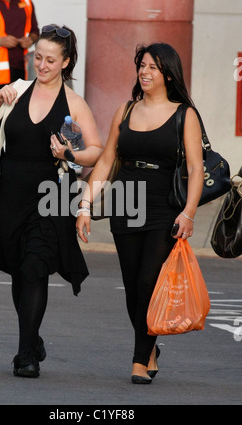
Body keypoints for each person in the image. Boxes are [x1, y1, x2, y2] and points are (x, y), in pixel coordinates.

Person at [0, 24, 103, 378]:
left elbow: (94, 153)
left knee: (34, 269)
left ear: (66, 62)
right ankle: (34, 338)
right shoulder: (18, 89)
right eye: (37, 57)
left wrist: (69, 150)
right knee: (19, 271)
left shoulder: (72, 104)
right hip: (8, 197)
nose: (41, 65)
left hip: (50, 197)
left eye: (49, 59)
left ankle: (25, 355)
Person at [76, 43, 204, 384]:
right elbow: (105, 163)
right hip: (125, 204)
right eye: (142, 65)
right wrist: (86, 204)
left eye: (153, 67)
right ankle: (149, 348)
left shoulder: (184, 115)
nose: (144, 72)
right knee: (133, 287)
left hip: (165, 209)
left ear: (168, 74)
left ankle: (138, 360)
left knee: (149, 280)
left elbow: (195, 167)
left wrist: (189, 212)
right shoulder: (125, 111)